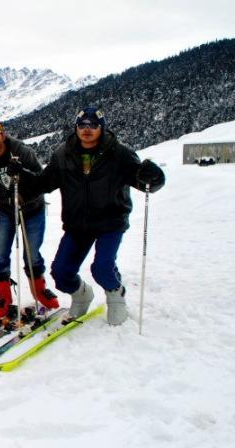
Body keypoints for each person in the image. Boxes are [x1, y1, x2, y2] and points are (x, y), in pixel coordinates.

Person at [36, 107, 165, 325]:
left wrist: (154, 177)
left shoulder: (120, 153)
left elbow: (144, 182)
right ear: (76, 128)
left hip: (110, 222)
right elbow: (44, 183)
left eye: (93, 125)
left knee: (102, 268)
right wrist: (21, 178)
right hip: (78, 224)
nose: (87, 129)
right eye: (82, 125)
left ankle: (116, 296)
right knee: (61, 272)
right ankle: (82, 295)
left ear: (101, 127)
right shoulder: (62, 154)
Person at [0, 119, 60, 318]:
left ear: (3, 135)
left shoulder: (22, 152)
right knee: (0, 253)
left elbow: (41, 179)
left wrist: (23, 177)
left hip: (32, 207)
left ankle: (39, 290)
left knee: (31, 252)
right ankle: (3, 296)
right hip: (7, 208)